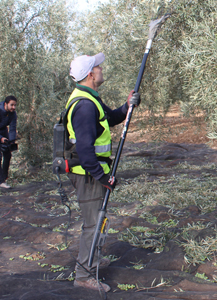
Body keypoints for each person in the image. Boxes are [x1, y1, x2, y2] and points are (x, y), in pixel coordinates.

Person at [65, 53, 140, 292]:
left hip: (91, 173)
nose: (101, 68)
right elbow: (86, 151)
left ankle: (93, 261)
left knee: (99, 220)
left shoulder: (90, 98)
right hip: (87, 175)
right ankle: (84, 275)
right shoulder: (85, 106)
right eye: (98, 66)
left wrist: (127, 106)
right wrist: (102, 177)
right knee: (93, 224)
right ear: (90, 74)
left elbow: (112, 117)